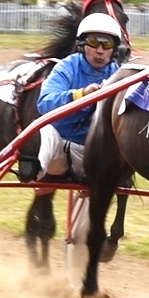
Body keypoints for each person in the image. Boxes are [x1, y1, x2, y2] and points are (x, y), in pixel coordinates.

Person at [34, 13, 124, 180]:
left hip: (92, 156)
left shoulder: (118, 74)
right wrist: (80, 95)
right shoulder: (67, 67)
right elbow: (44, 103)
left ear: (114, 49)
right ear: (82, 44)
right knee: (45, 130)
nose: (100, 50)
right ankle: (36, 172)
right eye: (93, 42)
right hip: (58, 152)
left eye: (107, 44)